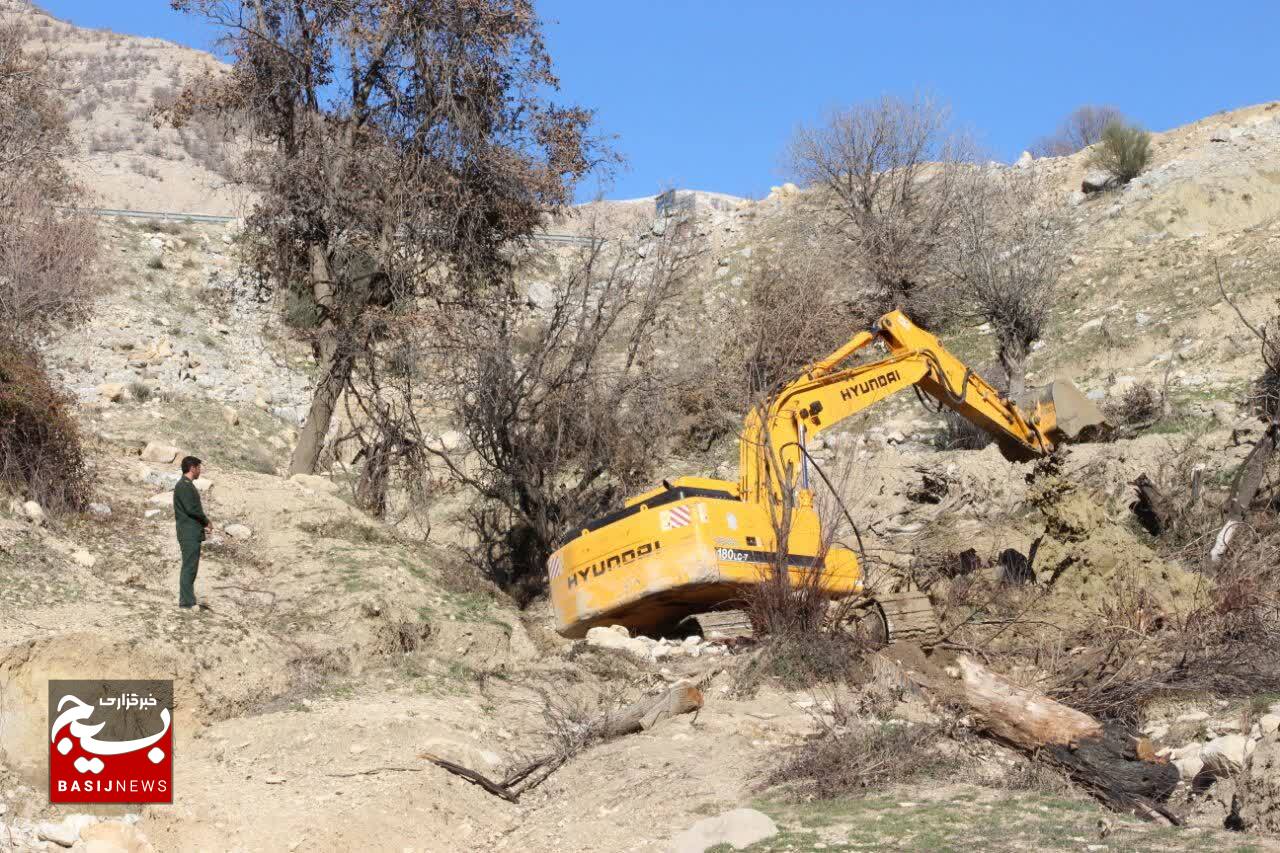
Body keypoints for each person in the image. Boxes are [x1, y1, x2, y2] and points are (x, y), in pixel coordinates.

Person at [174, 456, 211, 609]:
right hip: (188, 533)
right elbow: (191, 508)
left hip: (191, 532)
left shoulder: (187, 485)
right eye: (198, 467)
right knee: (189, 567)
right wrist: (206, 521)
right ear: (192, 468)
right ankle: (187, 602)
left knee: (191, 567)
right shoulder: (184, 485)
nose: (200, 470)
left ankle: (188, 599)